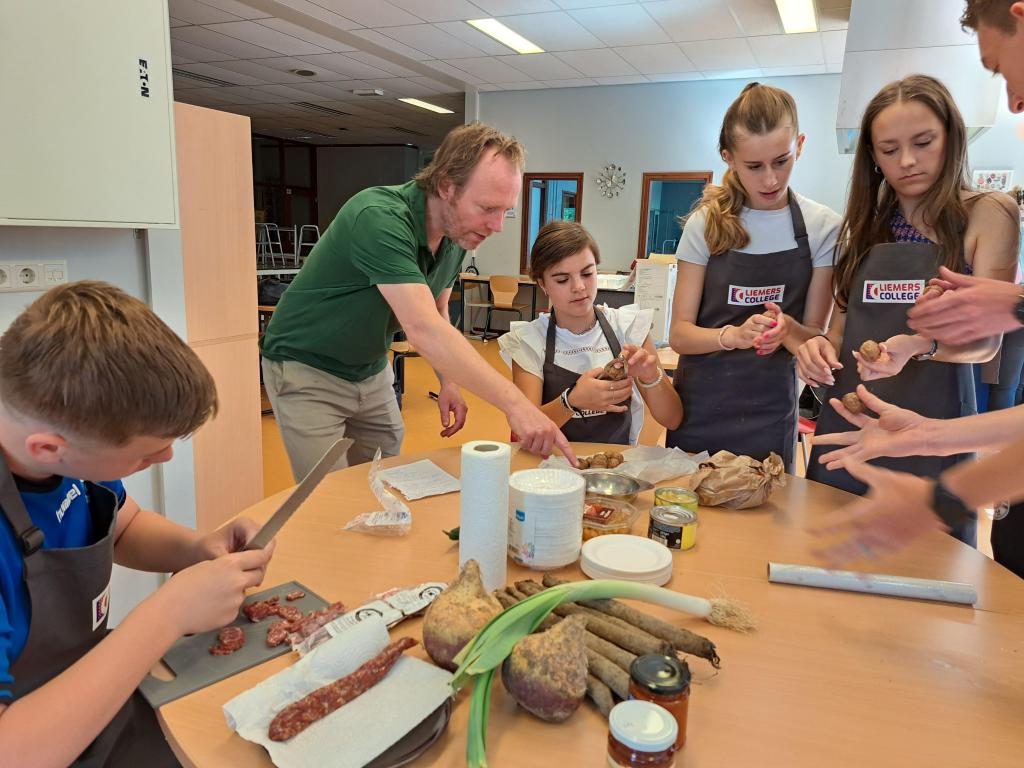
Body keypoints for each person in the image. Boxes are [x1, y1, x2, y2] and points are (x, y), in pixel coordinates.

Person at [0, 282, 275, 766]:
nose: (166, 457)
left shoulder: (56, 450)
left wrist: (196, 549)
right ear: (49, 448)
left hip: (96, 702)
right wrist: (166, 614)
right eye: (146, 455)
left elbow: (124, 527)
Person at [260, 122, 575, 481]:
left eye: (505, 210)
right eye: (488, 208)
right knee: (328, 490)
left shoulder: (457, 236)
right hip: (306, 365)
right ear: (445, 187)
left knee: (380, 470)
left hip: (368, 366)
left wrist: (449, 382)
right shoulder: (378, 217)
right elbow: (422, 328)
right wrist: (517, 405)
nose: (497, 226)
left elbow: (438, 313)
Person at [797, 74, 1020, 546]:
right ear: (872, 158)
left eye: (923, 142)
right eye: (889, 149)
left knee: (927, 567)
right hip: (849, 418)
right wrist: (816, 349)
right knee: (827, 553)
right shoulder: (863, 226)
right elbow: (838, 332)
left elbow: (986, 342)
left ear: (952, 137)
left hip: (936, 422)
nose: (909, 161)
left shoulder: (987, 214)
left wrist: (919, 346)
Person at [667, 82, 841, 472]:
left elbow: (815, 334)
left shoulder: (822, 228)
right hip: (699, 408)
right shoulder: (704, 225)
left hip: (771, 411)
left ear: (800, 144)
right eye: (754, 166)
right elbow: (679, 334)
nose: (770, 180)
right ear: (729, 158)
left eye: (781, 161)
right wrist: (733, 336)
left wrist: (789, 331)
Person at [499, 220, 682, 445]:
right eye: (562, 279)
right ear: (542, 283)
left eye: (587, 273)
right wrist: (572, 401)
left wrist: (651, 376)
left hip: (613, 473)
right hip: (550, 471)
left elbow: (673, 419)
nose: (579, 287)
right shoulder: (529, 341)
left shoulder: (628, 327)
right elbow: (525, 431)